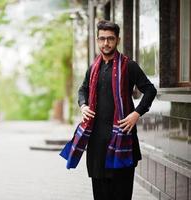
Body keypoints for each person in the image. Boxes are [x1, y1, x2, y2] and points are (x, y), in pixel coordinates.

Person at [77, 20, 157, 200]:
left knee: (121, 194)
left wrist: (136, 113)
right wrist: (83, 105)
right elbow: (82, 90)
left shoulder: (129, 66)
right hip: (97, 144)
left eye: (110, 39)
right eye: (102, 39)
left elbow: (150, 90)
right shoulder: (93, 68)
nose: (106, 43)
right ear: (97, 41)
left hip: (122, 141)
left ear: (117, 40)